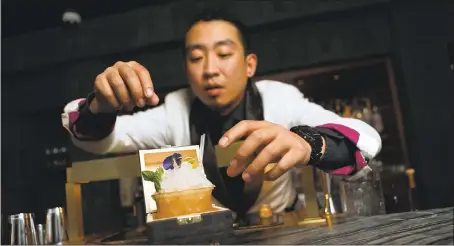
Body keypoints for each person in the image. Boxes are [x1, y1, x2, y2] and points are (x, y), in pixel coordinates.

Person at [61, 9, 381, 218]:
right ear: (186, 68)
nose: (211, 70)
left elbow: (364, 137)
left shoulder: (279, 100)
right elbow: (102, 141)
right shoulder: (176, 108)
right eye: (196, 58)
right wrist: (99, 105)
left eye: (224, 54)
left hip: (281, 231)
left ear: (250, 64)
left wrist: (308, 144)